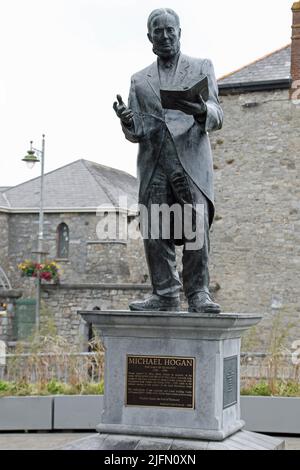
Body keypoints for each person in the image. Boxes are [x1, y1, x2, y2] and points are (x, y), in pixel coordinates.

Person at [113, 8, 223, 313]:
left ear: (179, 32)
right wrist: (127, 120)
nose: (164, 36)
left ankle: (198, 292)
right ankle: (164, 293)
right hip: (154, 161)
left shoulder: (201, 67)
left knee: (195, 226)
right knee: (154, 230)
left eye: (169, 30)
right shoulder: (139, 80)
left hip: (189, 159)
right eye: (158, 31)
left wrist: (201, 110)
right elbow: (138, 129)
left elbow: (217, 113)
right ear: (150, 37)